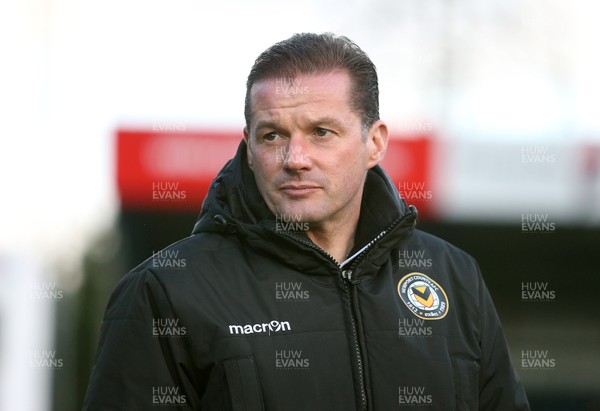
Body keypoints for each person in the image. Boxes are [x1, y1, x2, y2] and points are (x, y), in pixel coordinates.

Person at [83, 33, 530, 410]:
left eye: (321, 132)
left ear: (373, 143)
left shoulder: (454, 277)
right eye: (273, 135)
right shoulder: (166, 292)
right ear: (249, 146)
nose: (295, 159)